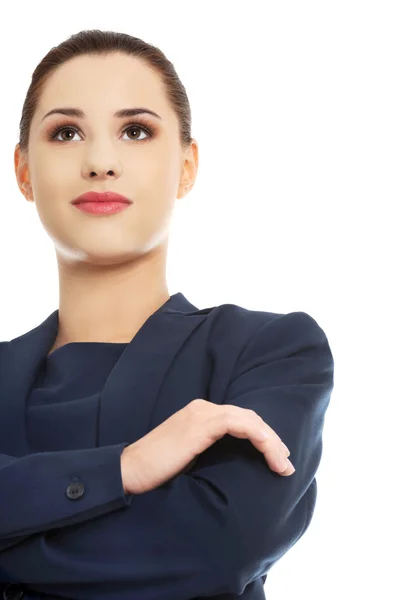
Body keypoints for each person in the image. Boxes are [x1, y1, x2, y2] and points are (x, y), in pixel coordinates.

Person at [0, 29, 334, 600]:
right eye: (66, 132)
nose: (101, 161)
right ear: (24, 171)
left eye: (135, 131)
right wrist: (124, 469)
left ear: (186, 165)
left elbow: (217, 550)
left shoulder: (270, 350)